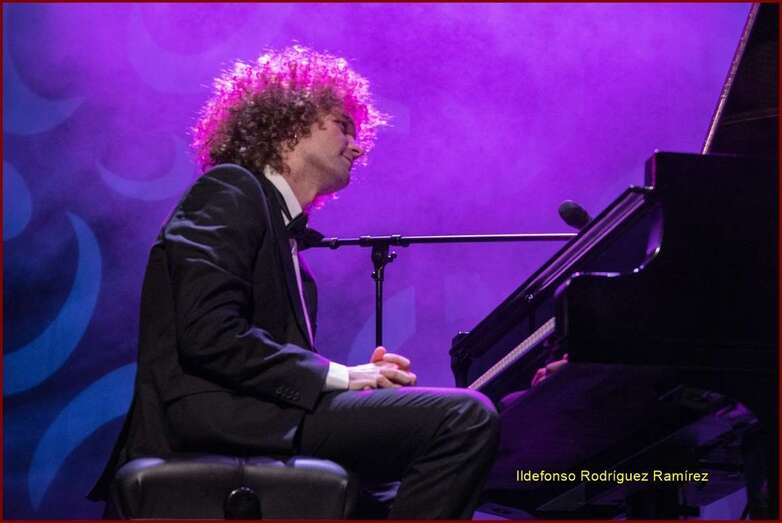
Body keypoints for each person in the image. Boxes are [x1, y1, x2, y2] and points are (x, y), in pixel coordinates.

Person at [88, 46, 499, 519]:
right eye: (343, 125)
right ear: (291, 123)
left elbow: (265, 361)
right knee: (465, 417)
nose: (358, 146)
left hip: (265, 418)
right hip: (220, 421)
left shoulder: (286, 242)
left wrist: (347, 383)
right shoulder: (228, 189)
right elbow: (209, 334)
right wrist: (340, 376)